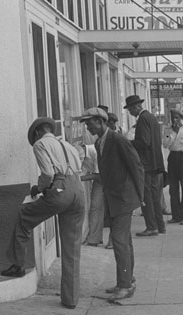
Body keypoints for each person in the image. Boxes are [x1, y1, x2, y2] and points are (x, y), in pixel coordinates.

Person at [1, 117, 85, 309]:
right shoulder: (67, 145)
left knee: (24, 216)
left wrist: (38, 189)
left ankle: (17, 265)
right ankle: (71, 299)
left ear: (38, 133)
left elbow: (47, 174)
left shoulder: (40, 144)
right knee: (71, 247)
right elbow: (78, 168)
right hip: (78, 191)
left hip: (59, 190)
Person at [79, 107, 145, 301]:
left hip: (123, 198)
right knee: (124, 241)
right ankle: (127, 278)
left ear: (101, 122)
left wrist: (140, 197)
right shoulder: (101, 141)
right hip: (115, 198)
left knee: (119, 241)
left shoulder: (117, 140)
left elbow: (136, 167)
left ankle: (125, 285)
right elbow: (107, 172)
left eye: (90, 123)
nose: (87, 127)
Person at [124, 95, 166, 236]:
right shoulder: (151, 117)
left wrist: (129, 143)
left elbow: (144, 142)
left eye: (130, 110)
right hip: (155, 162)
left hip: (147, 163)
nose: (130, 113)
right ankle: (160, 225)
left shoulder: (142, 119)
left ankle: (151, 226)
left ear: (136, 107)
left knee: (146, 196)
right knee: (154, 196)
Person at [79, 142, 105, 247]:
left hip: (105, 179)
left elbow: (98, 176)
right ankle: (95, 238)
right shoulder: (84, 155)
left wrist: (78, 179)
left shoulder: (95, 151)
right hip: (101, 180)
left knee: (95, 208)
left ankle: (94, 238)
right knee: (96, 209)